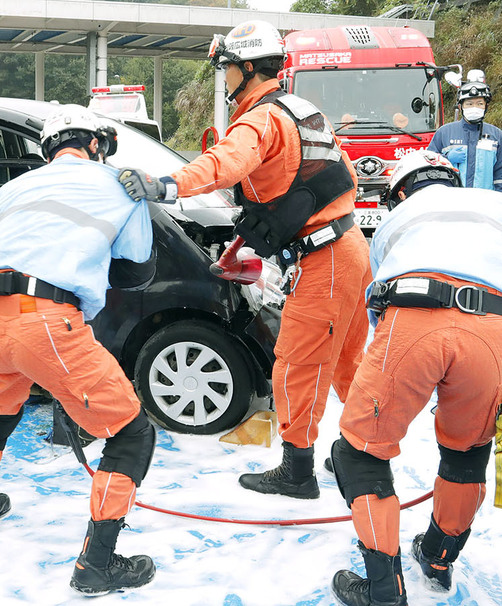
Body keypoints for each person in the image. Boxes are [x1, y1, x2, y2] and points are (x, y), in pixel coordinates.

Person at [119, 19, 372, 500]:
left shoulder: (259, 118)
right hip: (348, 249)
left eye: (229, 68)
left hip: (326, 261)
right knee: (346, 363)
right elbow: (298, 193)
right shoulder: (300, 110)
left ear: (248, 67)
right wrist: (238, 250)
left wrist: (163, 185)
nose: (226, 77)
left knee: (294, 366)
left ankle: (297, 472)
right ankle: (364, 451)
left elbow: (224, 163)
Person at [0, 104, 158, 596]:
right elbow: (137, 268)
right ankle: (98, 563)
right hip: (48, 320)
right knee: (131, 434)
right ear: (95, 145)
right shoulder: (116, 182)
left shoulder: (10, 189)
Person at [329, 149, 502, 605]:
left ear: (400, 192)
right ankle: (438, 557)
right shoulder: (493, 205)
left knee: (360, 453)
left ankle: (384, 590)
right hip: (496, 326)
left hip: (416, 312)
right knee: (468, 454)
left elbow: (378, 303)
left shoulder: (398, 217)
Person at [428, 74, 502, 191]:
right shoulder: (444, 132)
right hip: (453, 199)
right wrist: (446, 159)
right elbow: (427, 162)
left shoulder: (496, 135)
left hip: (485, 201)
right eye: (469, 103)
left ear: (486, 106)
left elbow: (500, 172)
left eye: (479, 103)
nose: (474, 107)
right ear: (461, 106)